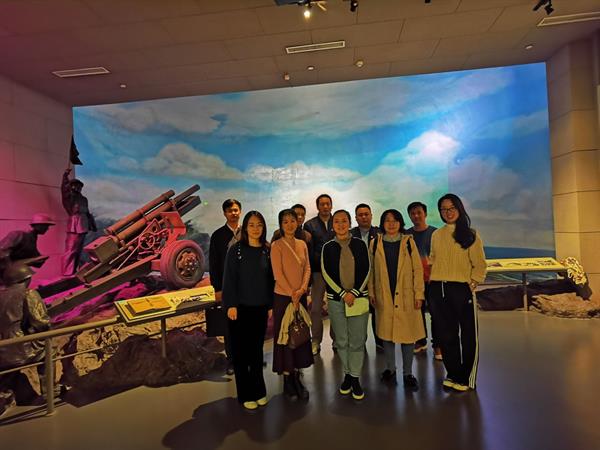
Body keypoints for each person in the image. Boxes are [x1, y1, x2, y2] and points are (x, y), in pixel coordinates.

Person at [428, 194, 487, 392]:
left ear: (459, 208)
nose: (448, 212)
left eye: (452, 208)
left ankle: (467, 378)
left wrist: (473, 283)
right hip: (438, 289)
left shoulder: (471, 234)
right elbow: (433, 259)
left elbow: (480, 264)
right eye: (444, 209)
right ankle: (453, 373)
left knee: (469, 335)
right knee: (446, 335)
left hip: (461, 289)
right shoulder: (437, 235)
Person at [222, 211, 274, 410]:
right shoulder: (236, 250)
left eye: (259, 225)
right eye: (251, 225)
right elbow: (229, 279)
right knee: (241, 354)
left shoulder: (267, 250)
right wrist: (231, 305)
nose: (255, 229)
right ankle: (245, 395)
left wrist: (270, 305)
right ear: (245, 227)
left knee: (257, 352)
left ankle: (259, 391)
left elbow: (270, 280)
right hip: (240, 309)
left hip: (260, 308)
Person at [368, 209, 425, 390]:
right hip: (384, 294)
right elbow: (371, 271)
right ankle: (390, 369)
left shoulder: (408, 242)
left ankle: (408, 373)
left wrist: (419, 294)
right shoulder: (375, 243)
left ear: (400, 222)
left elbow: (418, 270)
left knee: (408, 336)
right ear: (382, 223)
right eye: (387, 220)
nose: (391, 224)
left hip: (407, 295)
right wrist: (371, 292)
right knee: (387, 335)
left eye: (395, 220)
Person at [321, 210, 370, 400]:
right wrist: (342, 294)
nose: (341, 224)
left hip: (358, 298)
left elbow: (367, 269)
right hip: (336, 300)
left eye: (344, 221)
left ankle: (355, 378)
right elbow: (326, 272)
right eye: (337, 221)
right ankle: (348, 374)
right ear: (332, 225)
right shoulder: (328, 247)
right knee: (341, 340)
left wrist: (355, 292)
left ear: (350, 223)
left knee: (357, 340)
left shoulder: (360, 244)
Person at [270, 209, 313, 400]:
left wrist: (302, 289)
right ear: (281, 224)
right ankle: (287, 378)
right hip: (283, 298)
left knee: (299, 334)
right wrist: (292, 294)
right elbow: (277, 274)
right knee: (285, 337)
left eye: (292, 220)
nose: (289, 224)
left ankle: (296, 375)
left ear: (297, 222)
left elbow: (308, 268)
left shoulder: (302, 243)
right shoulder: (276, 245)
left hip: (299, 296)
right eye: (285, 221)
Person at [0, 263, 52, 416]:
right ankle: (49, 391)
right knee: (48, 350)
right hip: (20, 350)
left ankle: (5, 394)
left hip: (2, 351)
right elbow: (41, 322)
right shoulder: (28, 293)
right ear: (26, 279)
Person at [208, 199, 241, 375]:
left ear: (240, 211)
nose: (233, 213)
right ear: (224, 213)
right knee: (230, 325)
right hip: (227, 288)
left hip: (247, 287)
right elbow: (213, 264)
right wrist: (217, 289)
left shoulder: (247, 232)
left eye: (235, 210)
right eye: (230, 211)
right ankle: (232, 361)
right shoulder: (218, 235)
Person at [406, 201, 441, 360]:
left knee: (436, 313)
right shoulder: (406, 235)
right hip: (414, 282)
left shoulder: (436, 233)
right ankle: (420, 341)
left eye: (419, 212)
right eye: (413, 213)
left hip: (433, 280)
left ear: (425, 214)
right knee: (416, 313)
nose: (416, 216)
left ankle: (438, 344)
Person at [303, 194, 335, 355]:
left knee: (335, 307)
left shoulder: (337, 221)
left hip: (335, 272)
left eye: (328, 204)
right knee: (315, 309)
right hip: (317, 272)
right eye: (322, 204)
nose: (325, 206)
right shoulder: (310, 225)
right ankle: (315, 340)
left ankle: (337, 340)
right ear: (317, 206)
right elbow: (309, 251)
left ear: (331, 205)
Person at [351, 203, 382, 352]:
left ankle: (380, 342)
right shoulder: (350, 234)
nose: (364, 217)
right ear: (356, 218)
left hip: (376, 278)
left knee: (378, 312)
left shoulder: (380, 233)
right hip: (357, 280)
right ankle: (359, 343)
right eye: (360, 215)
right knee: (359, 314)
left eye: (366, 214)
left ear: (371, 216)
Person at [61, 168, 97, 276]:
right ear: (71, 186)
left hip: (83, 226)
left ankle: (74, 271)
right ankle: (66, 273)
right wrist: (65, 176)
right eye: (75, 185)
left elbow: (87, 213)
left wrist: (92, 225)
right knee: (70, 250)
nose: (78, 187)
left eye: (79, 186)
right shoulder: (69, 198)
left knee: (78, 251)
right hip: (74, 226)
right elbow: (64, 190)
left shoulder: (84, 199)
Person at [0, 213, 56, 278]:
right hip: (6, 271)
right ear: (38, 225)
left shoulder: (33, 237)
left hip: (16, 270)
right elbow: (2, 251)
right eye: (46, 226)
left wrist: (39, 258)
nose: (47, 229)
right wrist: (9, 268)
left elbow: (31, 252)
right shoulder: (19, 234)